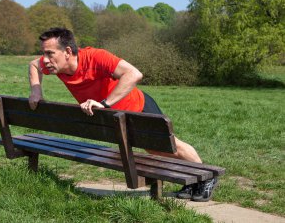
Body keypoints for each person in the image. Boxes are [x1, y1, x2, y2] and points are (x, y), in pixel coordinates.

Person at [28, 27, 218, 202]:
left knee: (171, 146)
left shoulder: (96, 57)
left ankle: (206, 177)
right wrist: (36, 90)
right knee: (154, 150)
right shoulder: (54, 65)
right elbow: (34, 65)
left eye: (49, 53)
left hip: (138, 107)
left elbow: (134, 74)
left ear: (68, 52)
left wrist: (104, 104)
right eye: (44, 53)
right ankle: (193, 181)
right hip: (117, 118)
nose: (44, 59)